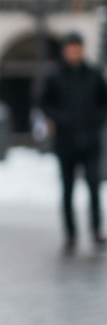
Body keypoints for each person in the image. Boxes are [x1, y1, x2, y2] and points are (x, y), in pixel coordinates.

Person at [40, 32, 107, 252]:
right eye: (70, 50)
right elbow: (44, 103)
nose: (74, 53)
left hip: (90, 141)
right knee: (67, 189)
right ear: (64, 51)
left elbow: (103, 102)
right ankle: (70, 233)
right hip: (65, 141)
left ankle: (96, 230)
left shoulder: (94, 74)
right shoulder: (55, 76)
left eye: (77, 49)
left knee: (94, 186)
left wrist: (96, 121)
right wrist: (59, 119)